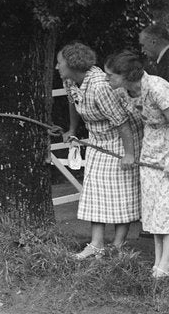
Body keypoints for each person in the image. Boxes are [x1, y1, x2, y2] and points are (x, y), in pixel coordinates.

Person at [57, 41, 141, 257]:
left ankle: (118, 244)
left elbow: (121, 122)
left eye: (60, 63)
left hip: (122, 137)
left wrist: (129, 154)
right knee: (95, 189)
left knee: (121, 191)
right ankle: (96, 243)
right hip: (97, 137)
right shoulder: (70, 80)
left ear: (73, 65)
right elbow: (72, 102)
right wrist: (72, 130)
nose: (57, 67)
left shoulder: (99, 86)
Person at [104, 51, 169, 278]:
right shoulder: (125, 92)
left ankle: (164, 265)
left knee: (166, 208)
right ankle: (159, 262)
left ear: (126, 75)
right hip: (150, 148)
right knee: (152, 209)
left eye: (110, 75)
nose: (107, 79)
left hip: (167, 149)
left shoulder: (158, 88)